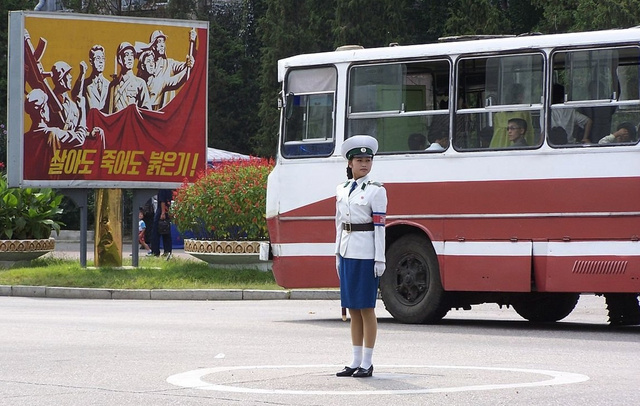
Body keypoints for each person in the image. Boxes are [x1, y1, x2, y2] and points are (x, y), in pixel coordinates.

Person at [335, 135, 387, 378]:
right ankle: (355, 360)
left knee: (366, 308)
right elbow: (339, 224)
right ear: (349, 163)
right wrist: (337, 254)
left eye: (368, 160)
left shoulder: (376, 191)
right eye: (359, 160)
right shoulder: (342, 190)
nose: (364, 164)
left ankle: (367, 362)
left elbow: (379, 228)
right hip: (347, 252)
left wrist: (380, 259)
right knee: (352, 308)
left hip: (366, 254)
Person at [106, 42, 151, 113]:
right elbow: (108, 111)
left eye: (132, 55)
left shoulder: (140, 83)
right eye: (127, 55)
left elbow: (147, 110)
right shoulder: (113, 86)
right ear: (120, 59)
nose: (130, 58)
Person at [490, 83, 535, 148]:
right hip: (516, 147)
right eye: (522, 95)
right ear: (519, 96)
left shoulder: (498, 115)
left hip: (497, 146)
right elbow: (530, 134)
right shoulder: (523, 113)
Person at [150, 189, 173, 260]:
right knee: (166, 232)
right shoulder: (169, 189)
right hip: (167, 210)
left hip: (161, 211)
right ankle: (167, 251)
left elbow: (162, 201)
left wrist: (162, 213)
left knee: (155, 233)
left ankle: (155, 252)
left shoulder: (163, 188)